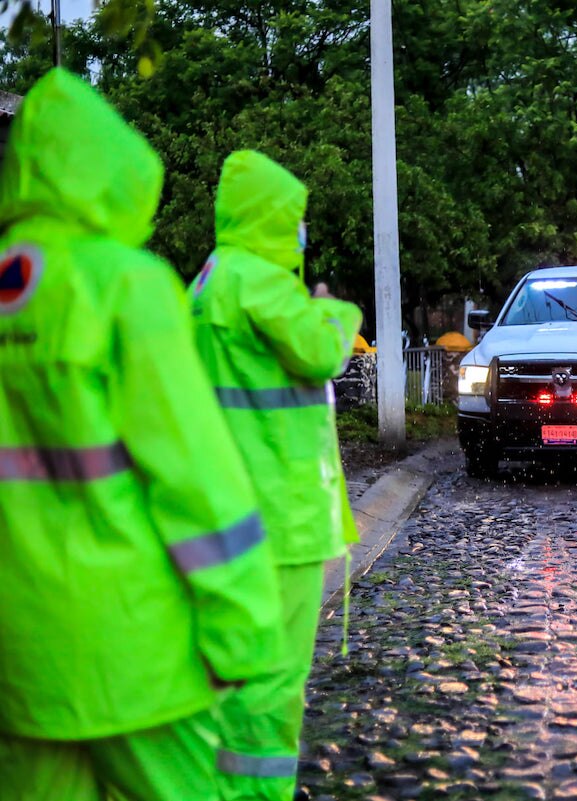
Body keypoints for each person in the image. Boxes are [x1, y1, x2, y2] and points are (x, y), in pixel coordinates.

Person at [0, 69, 282, 801]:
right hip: (134, 653)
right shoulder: (128, 285)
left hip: (22, 663)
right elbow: (195, 477)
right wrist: (245, 633)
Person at [189, 149, 362, 801]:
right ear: (271, 215)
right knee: (273, 681)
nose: (301, 232)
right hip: (281, 517)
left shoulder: (208, 278)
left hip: (233, 510)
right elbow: (320, 350)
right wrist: (334, 308)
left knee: (230, 674)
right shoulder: (259, 279)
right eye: (297, 218)